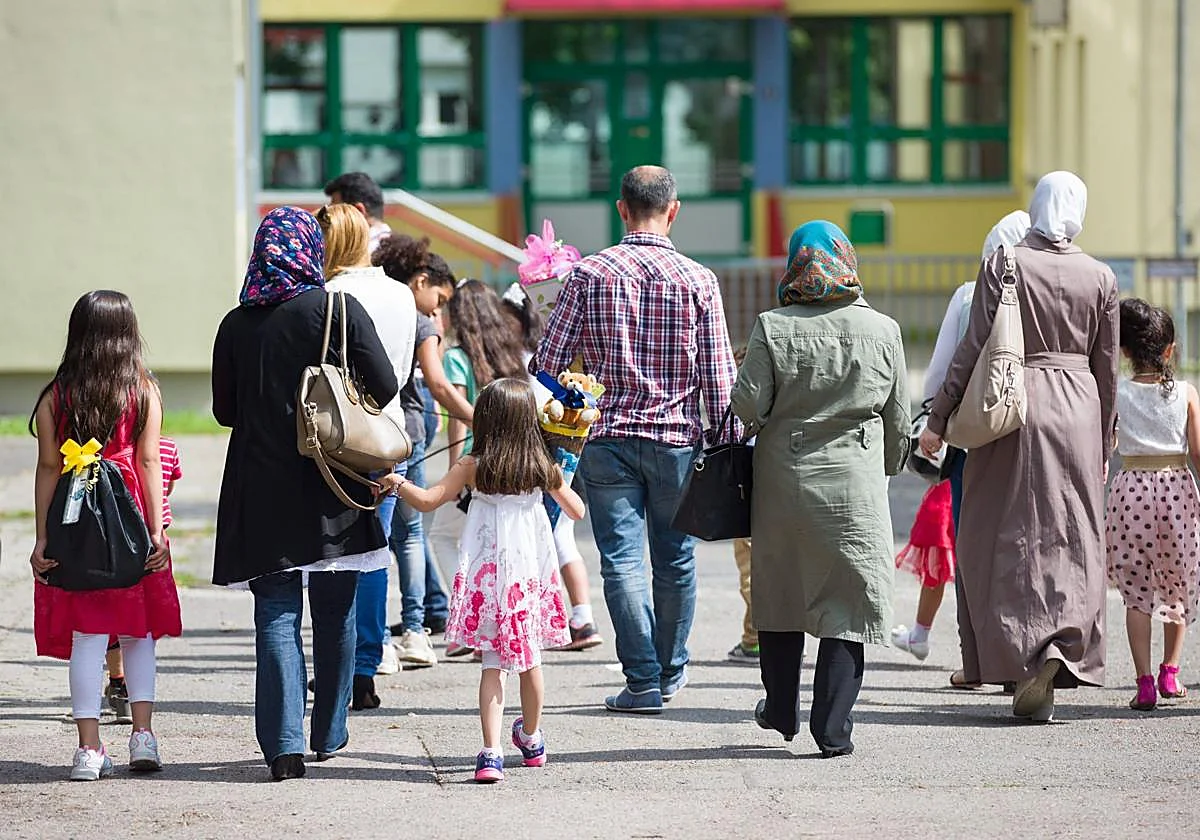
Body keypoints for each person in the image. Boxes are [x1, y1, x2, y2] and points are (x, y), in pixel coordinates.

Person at [533, 165, 739, 713]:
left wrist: (577, 397)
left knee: (620, 561)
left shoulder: (588, 275)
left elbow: (546, 363)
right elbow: (719, 380)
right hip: (677, 440)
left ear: (621, 209)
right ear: (674, 211)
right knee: (676, 560)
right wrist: (728, 440)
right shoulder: (698, 280)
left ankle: (642, 680)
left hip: (607, 438)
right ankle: (670, 672)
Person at [920, 171, 1119, 723]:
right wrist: (1104, 441)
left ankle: (1019, 657)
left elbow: (972, 347)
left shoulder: (1005, 262)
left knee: (1000, 532)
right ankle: (1060, 643)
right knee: (1072, 533)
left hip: (1011, 406)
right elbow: (1108, 369)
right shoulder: (1100, 276)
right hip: (1078, 407)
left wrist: (938, 419)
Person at [212, 207, 398, 781]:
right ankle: (330, 730)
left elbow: (223, 411)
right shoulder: (337, 309)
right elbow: (386, 384)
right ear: (310, 251)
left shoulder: (236, 324)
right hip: (333, 479)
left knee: (275, 614)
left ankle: (283, 747)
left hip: (260, 485)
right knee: (336, 611)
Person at [732, 220, 909, 758]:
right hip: (854, 485)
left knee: (781, 597)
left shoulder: (772, 326)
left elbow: (746, 406)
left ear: (795, 261)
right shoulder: (884, 330)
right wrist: (886, 464)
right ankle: (833, 730)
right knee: (847, 605)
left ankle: (780, 710)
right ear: (847, 260)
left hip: (783, 484)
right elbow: (898, 420)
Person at [378, 378, 584, 783]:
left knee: (493, 665)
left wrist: (396, 482)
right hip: (527, 580)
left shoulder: (472, 466)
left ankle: (491, 754)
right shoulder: (543, 466)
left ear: (486, 421)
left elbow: (428, 500)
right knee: (531, 662)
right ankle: (531, 738)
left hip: (489, 581)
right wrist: (560, 481)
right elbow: (576, 511)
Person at [29, 290, 180, 780]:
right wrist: (156, 530)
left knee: (88, 636)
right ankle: (143, 737)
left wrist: (42, 538)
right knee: (138, 634)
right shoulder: (142, 390)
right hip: (131, 515)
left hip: (76, 520)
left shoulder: (57, 395)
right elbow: (149, 461)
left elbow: (49, 466)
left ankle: (88, 750)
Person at [895, 210, 1031, 671]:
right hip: (1032, 434)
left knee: (971, 541)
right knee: (1021, 542)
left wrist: (934, 419)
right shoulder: (1047, 291)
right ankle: (1023, 651)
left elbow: (942, 367)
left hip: (973, 434)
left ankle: (975, 660)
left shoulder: (971, 294)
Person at [318, 203, 417, 698]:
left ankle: (337, 663)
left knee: (334, 553)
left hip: (338, 435)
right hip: (387, 431)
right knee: (376, 549)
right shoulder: (400, 292)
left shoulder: (328, 294)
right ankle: (365, 665)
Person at [372, 233, 477, 666]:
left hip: (367, 436)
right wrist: (478, 418)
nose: (437, 310)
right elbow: (436, 383)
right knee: (409, 534)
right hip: (408, 433)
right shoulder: (418, 321)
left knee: (374, 540)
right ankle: (415, 631)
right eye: (438, 298)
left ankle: (375, 640)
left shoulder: (367, 306)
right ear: (420, 280)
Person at [1107, 299, 1200, 710]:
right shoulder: (1186, 392)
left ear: (1124, 351)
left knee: (1137, 592)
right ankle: (1171, 673)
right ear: (1169, 350)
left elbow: (1107, 444)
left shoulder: (1117, 392)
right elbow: (1198, 451)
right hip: (1176, 487)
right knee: (1176, 584)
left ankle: (1143, 682)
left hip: (1130, 490)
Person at [501, 282, 603, 651]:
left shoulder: (533, 361)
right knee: (560, 536)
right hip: (565, 453)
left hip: (541, 454)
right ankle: (580, 618)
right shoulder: (563, 357)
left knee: (547, 536)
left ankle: (557, 619)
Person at [431, 279, 528, 656]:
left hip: (474, 463)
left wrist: (454, 468)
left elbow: (457, 419)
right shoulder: (509, 354)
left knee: (442, 536)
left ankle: (469, 616)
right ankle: (496, 617)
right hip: (512, 460)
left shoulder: (457, 357)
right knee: (498, 548)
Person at [106, 434, 183, 723]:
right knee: (143, 622)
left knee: (107, 618)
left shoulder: (108, 447)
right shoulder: (167, 446)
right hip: (153, 545)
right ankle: (141, 721)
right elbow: (168, 487)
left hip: (111, 541)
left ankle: (118, 681)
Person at [325, 171, 392, 253]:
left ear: (358, 212)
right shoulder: (398, 251)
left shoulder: (362, 257)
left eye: (336, 212)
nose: (331, 220)